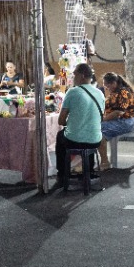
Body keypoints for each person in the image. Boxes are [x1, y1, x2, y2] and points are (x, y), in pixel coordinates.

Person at [52, 63, 106, 192]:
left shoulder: (73, 92)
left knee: (61, 136)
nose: (73, 77)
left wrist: (70, 123)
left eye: (74, 74)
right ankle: (89, 171)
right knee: (88, 136)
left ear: (81, 76)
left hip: (76, 139)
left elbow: (61, 120)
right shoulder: (99, 93)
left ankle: (62, 174)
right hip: (96, 139)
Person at [97, 72, 134, 166]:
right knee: (96, 127)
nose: (105, 87)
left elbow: (118, 112)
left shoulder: (123, 92)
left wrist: (103, 120)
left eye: (106, 85)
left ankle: (104, 162)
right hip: (123, 120)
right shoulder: (117, 92)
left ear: (113, 83)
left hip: (126, 122)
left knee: (97, 130)